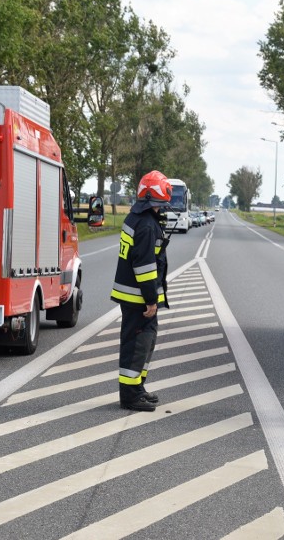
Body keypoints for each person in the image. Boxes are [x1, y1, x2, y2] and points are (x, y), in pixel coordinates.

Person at [110, 170, 172, 412]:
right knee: (136, 345)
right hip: (138, 297)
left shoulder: (139, 218)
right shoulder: (147, 225)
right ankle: (129, 395)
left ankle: (137, 388)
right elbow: (145, 267)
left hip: (134, 295)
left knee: (144, 342)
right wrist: (150, 300)